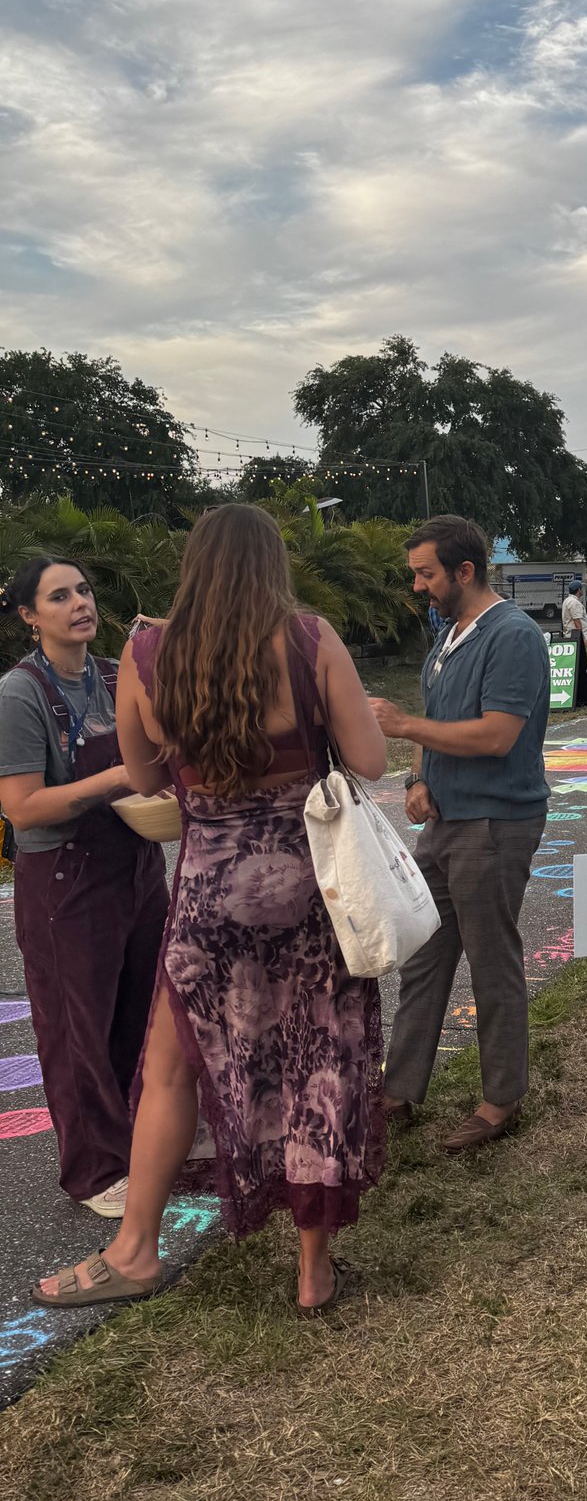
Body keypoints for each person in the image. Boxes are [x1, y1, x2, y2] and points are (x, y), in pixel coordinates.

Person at [32, 505, 390, 1315]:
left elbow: (144, 777)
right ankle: (312, 1270)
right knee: (318, 1062)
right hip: (312, 895)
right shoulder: (311, 639)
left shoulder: (146, 653)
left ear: (193, 566)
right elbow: (370, 759)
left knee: (169, 1069)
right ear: (272, 566)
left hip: (208, 899)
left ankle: (136, 1248)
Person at [374, 515, 552, 1155]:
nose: (418, 586)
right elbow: (440, 721)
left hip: (494, 823)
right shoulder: (449, 636)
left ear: (465, 571)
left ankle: (501, 1098)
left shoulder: (513, 636)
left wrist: (403, 727)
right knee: (424, 956)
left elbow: (496, 735)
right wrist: (417, 779)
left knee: (490, 959)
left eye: (426, 574)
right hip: (447, 823)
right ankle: (398, 1091)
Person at [0, 559, 168, 1219]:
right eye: (59, 596)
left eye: (84, 590)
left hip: (136, 865)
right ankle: (95, 1169)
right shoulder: (20, 694)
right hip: (65, 880)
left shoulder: (116, 675)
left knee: (141, 1014)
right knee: (77, 1032)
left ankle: (140, 1145)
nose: (79, 603)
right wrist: (119, 777)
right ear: (29, 616)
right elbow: (22, 807)